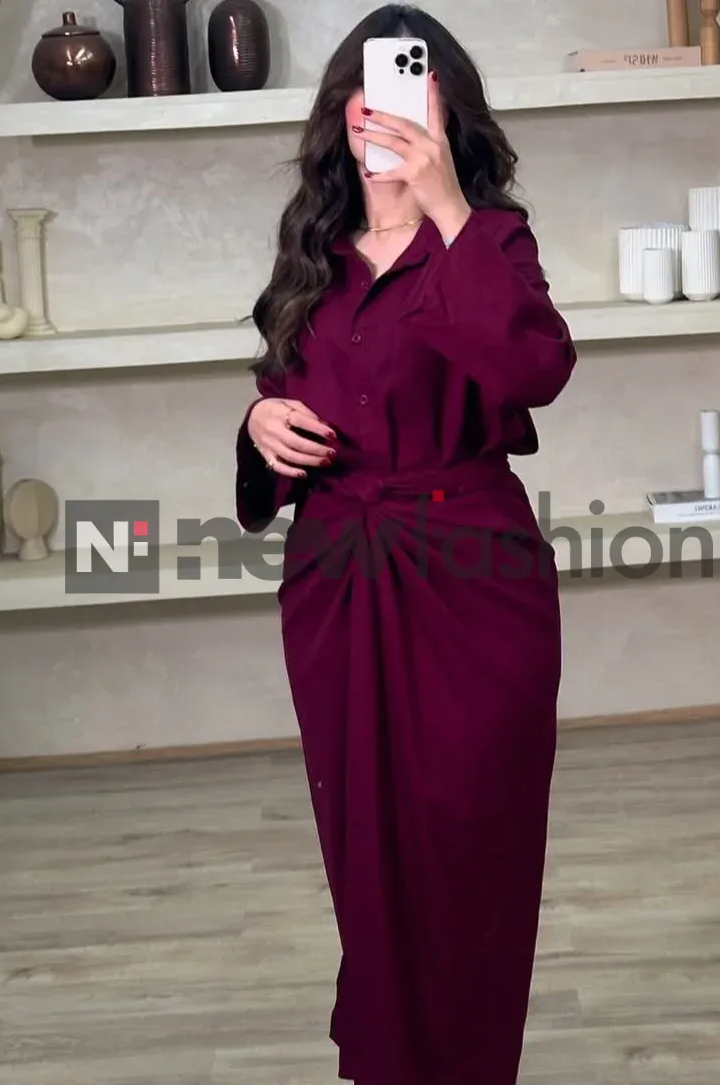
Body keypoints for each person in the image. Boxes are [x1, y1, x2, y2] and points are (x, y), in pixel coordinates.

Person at [234, 5, 576, 1083]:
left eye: (409, 89)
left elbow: (536, 370)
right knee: (366, 850)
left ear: (445, 111)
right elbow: (284, 396)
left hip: (476, 583)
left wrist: (447, 206)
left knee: (475, 844)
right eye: (364, 90)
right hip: (338, 577)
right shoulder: (312, 255)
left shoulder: (491, 240)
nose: (380, 110)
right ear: (340, 113)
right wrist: (258, 426)